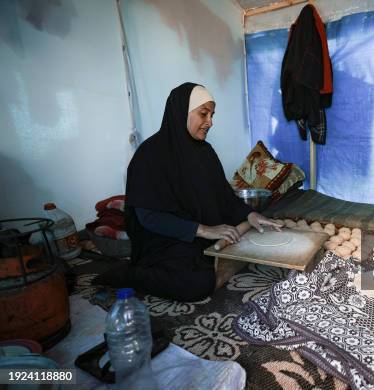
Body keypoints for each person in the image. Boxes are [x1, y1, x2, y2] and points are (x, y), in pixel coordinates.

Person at [94, 83, 281, 301]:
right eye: (203, 114)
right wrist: (204, 230)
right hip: (165, 239)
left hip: (201, 234)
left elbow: (224, 197)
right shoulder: (149, 155)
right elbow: (150, 217)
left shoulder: (205, 152)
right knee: (197, 283)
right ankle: (131, 274)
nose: (209, 122)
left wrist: (251, 215)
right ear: (181, 111)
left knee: (242, 247)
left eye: (212, 115)